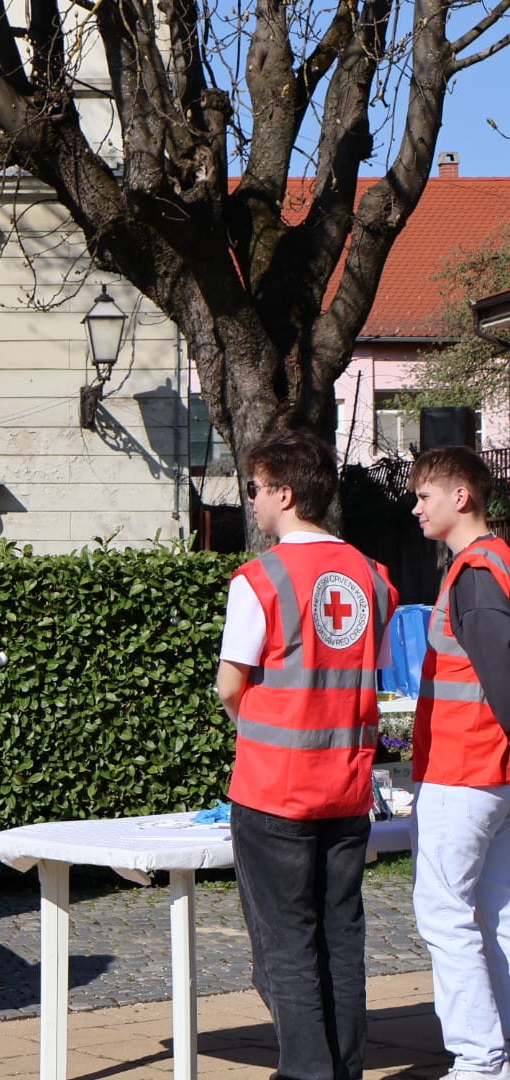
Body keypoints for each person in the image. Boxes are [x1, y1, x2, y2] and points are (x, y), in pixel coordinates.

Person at [215, 431, 396, 1080]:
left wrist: (259, 729)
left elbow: (230, 686)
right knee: (341, 939)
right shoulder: (375, 578)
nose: (252, 499)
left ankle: (306, 1074)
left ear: (285, 494)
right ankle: (342, 1071)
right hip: (347, 789)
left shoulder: (258, 579)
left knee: (286, 944)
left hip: (274, 791)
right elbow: (365, 674)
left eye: (256, 488)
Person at [407, 446, 510, 1080]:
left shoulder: (474, 573)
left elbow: (500, 673)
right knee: (496, 913)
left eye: (424, 496)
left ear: (460, 497)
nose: (416, 508)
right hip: (491, 774)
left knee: (446, 917)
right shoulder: (498, 563)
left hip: (463, 769)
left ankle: (479, 1061)